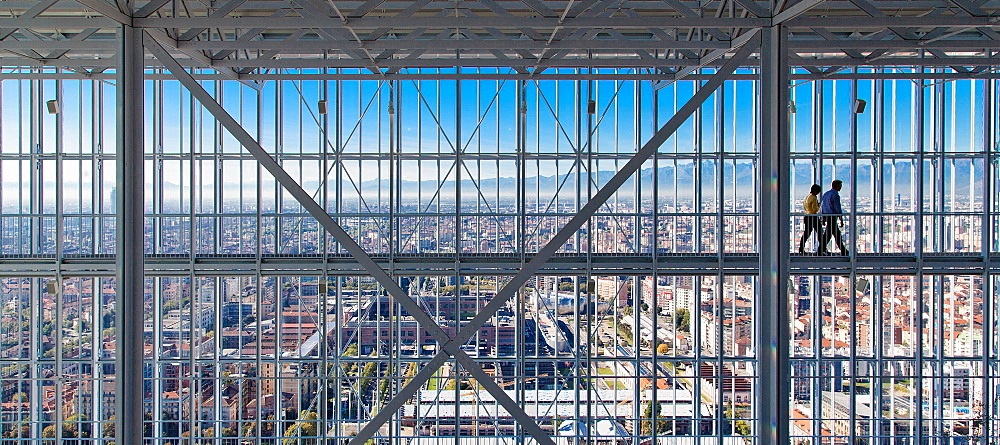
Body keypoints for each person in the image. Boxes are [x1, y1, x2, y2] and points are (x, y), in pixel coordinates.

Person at [820, 179, 849, 256]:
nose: (841, 188)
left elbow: (823, 207)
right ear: (837, 186)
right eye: (840, 186)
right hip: (832, 216)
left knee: (830, 234)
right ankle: (843, 250)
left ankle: (821, 249)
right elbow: (837, 208)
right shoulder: (835, 195)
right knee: (834, 234)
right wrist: (841, 219)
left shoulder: (826, 194)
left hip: (827, 216)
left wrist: (823, 217)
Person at [798, 184, 823, 254]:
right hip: (813, 216)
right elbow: (815, 209)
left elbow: (805, 207)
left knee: (807, 233)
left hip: (807, 216)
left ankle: (801, 248)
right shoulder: (814, 198)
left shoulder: (807, 197)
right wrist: (819, 206)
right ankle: (822, 248)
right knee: (820, 232)